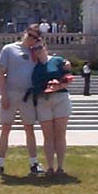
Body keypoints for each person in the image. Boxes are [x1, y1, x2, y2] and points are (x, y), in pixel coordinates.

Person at [0, 24, 44, 176]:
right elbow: (1, 73)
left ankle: (34, 163)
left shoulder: (35, 53)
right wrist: (4, 95)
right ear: (25, 33)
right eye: (30, 35)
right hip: (11, 93)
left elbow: (45, 65)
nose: (31, 39)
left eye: (35, 37)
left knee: (29, 128)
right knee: (5, 128)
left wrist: (40, 49)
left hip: (28, 96)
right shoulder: (9, 49)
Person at [31, 39, 73, 176]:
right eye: (35, 49)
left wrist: (58, 85)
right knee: (48, 136)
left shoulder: (57, 60)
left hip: (60, 98)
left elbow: (68, 77)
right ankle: (50, 167)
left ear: (45, 47)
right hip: (43, 100)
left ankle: (60, 167)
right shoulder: (33, 65)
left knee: (60, 135)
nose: (38, 50)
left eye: (39, 47)